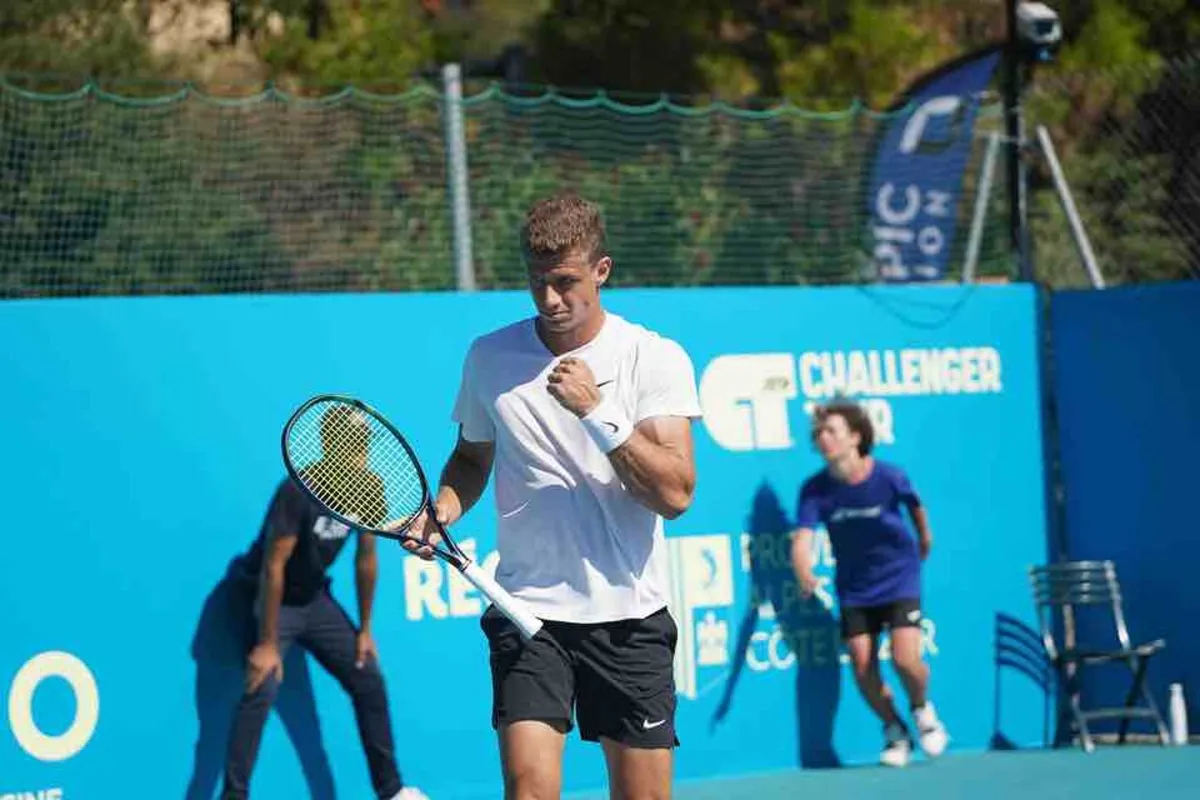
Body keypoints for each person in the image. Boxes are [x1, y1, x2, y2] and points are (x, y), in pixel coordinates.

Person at [403, 192, 701, 799]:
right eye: (537, 282)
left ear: (601, 271)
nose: (549, 299)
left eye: (565, 282)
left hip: (628, 618)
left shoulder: (654, 357)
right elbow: (470, 457)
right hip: (526, 612)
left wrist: (601, 413)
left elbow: (674, 494)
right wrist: (442, 511)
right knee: (529, 789)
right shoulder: (489, 358)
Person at [220, 406, 428, 800]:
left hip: (316, 599)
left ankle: (392, 791)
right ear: (331, 444)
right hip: (273, 598)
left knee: (368, 677)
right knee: (262, 684)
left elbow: (365, 558)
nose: (361, 448)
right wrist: (266, 645)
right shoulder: (297, 490)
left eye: (365, 441)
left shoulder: (370, 487)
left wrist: (364, 630)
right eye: (352, 441)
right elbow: (272, 567)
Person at [790, 400, 949, 768]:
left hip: (899, 577)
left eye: (832, 431)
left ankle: (922, 709)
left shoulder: (890, 476)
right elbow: (802, 540)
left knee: (905, 658)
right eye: (818, 433)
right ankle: (895, 728)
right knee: (862, 666)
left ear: (856, 437)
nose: (823, 438)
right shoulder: (814, 490)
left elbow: (915, 505)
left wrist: (925, 537)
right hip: (855, 587)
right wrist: (805, 572)